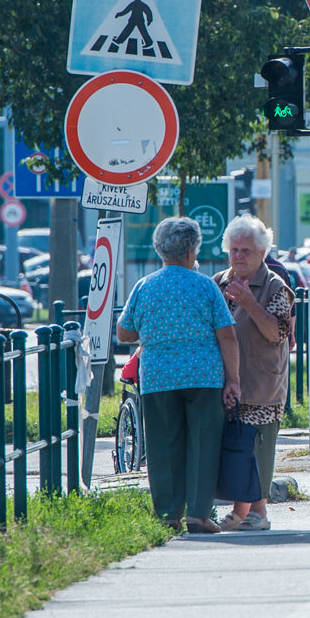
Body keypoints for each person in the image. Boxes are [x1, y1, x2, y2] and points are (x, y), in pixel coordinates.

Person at [116, 217, 240, 533]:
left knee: (161, 444)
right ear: (191, 251)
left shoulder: (144, 286)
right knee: (203, 443)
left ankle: (168, 514)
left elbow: (124, 333)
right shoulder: (205, 286)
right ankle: (198, 514)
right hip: (204, 377)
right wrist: (234, 379)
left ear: (161, 251)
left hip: (158, 377)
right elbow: (227, 336)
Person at [213, 216, 294, 532]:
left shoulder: (275, 287)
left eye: (246, 250)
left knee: (255, 450)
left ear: (262, 252)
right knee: (234, 449)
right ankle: (241, 510)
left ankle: (256, 512)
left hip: (261, 383)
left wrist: (249, 303)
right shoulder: (219, 281)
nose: (239, 256)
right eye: (234, 249)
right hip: (226, 383)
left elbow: (279, 333)